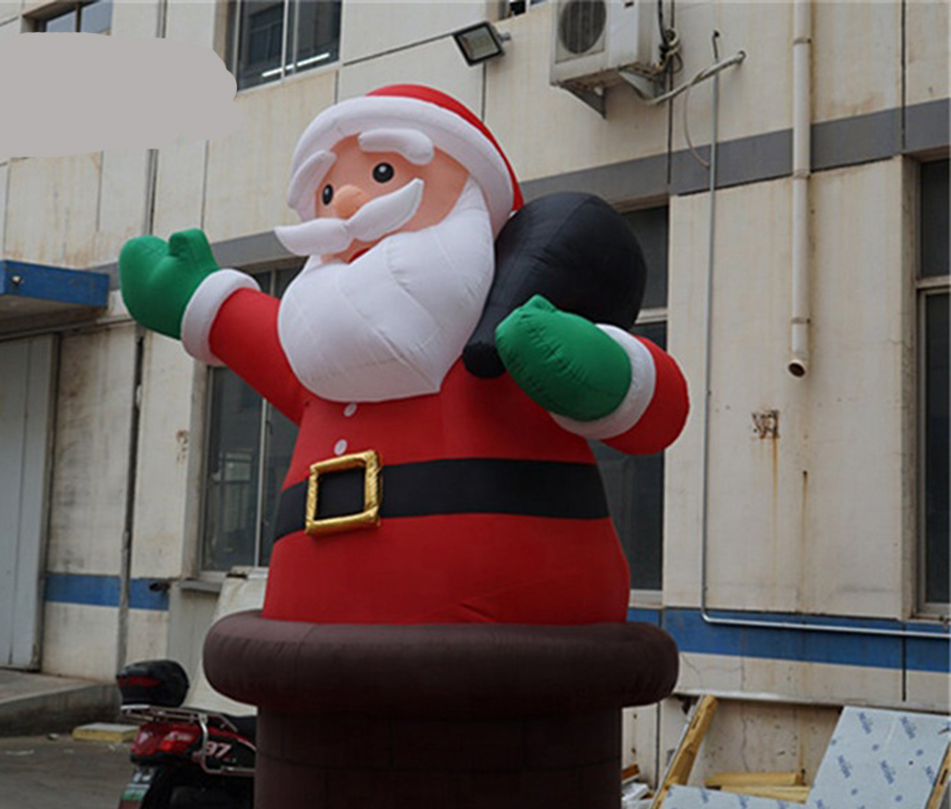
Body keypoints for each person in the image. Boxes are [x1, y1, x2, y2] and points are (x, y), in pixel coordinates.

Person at [120, 84, 688, 624]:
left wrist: (605, 371)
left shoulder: (501, 345)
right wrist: (195, 296)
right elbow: (270, 336)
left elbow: (658, 415)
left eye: (383, 173)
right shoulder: (322, 357)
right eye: (325, 192)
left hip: (509, 671)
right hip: (309, 666)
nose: (344, 201)